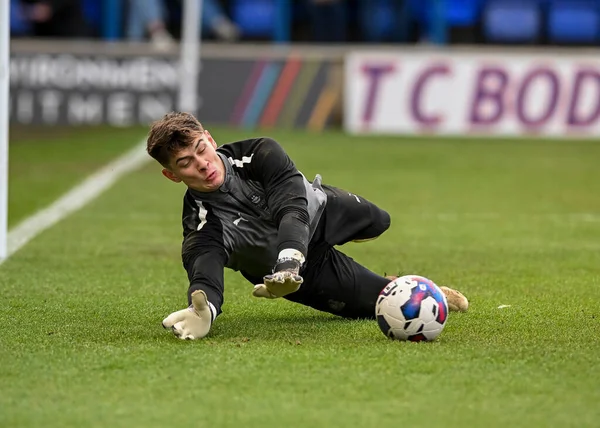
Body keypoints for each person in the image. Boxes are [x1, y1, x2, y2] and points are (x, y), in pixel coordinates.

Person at [146, 112, 469, 340]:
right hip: (292, 273)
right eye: (186, 163)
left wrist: (289, 262)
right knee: (381, 303)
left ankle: (334, 237)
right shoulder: (202, 224)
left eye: (201, 149)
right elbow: (205, 270)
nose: (202, 164)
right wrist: (205, 311)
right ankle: (409, 287)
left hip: (319, 213)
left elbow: (292, 209)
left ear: (211, 140)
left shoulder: (259, 152)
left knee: (379, 221)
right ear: (172, 175)